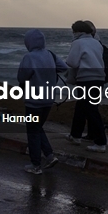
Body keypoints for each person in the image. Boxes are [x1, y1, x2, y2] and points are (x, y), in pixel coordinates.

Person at [17, 29, 67, 174]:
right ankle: (50, 156)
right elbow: (63, 67)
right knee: (37, 128)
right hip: (48, 101)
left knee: (32, 131)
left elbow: (21, 77)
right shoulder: (50, 54)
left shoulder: (29, 57)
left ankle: (35, 165)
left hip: (33, 101)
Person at [66, 20, 108, 152]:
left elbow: (72, 62)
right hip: (99, 78)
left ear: (77, 31)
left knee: (90, 110)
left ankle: (101, 142)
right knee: (83, 107)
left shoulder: (77, 43)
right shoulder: (96, 43)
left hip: (85, 79)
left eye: (73, 31)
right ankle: (75, 135)